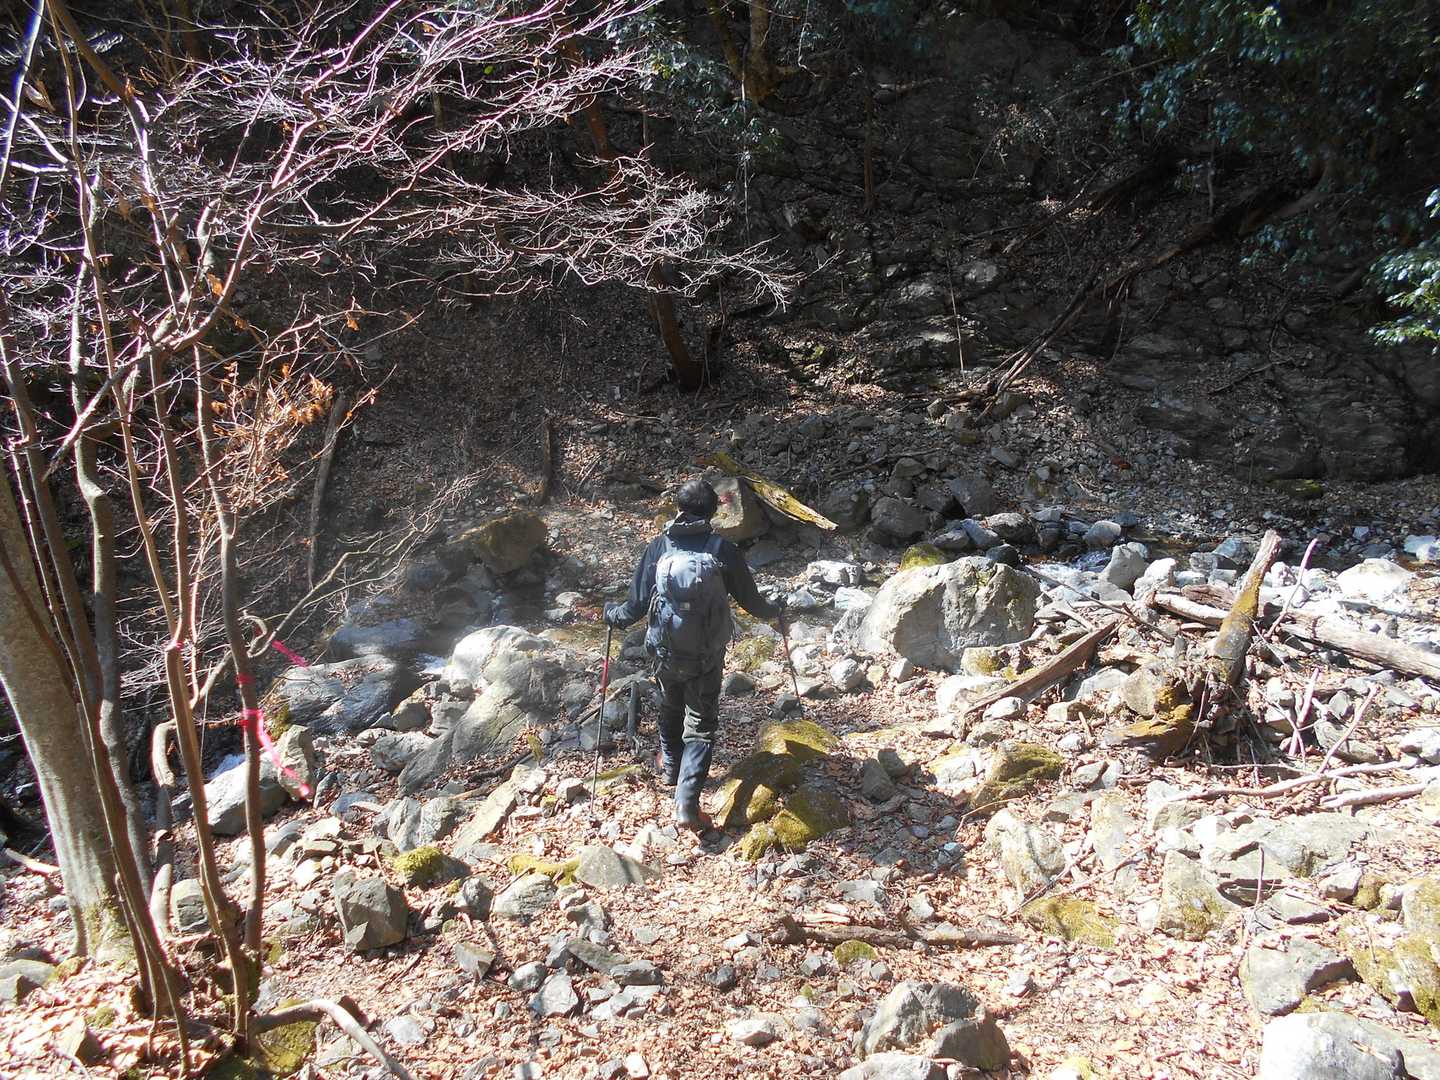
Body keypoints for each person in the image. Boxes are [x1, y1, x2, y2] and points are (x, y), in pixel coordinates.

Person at [605, 478, 783, 830]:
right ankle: (686, 803)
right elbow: (752, 603)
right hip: (706, 655)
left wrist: (611, 614)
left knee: (670, 705)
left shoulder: (658, 547)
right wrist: (776, 609)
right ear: (713, 511)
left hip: (665, 653)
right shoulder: (722, 549)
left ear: (678, 508)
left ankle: (671, 769)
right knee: (700, 725)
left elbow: (634, 607)